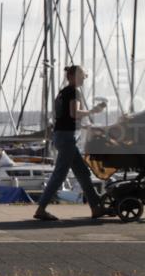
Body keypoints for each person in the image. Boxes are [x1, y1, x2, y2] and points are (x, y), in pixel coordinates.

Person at [33, 65, 107, 221]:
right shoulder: (73, 92)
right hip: (67, 139)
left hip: (61, 136)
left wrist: (85, 126)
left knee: (83, 173)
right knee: (60, 174)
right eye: (81, 74)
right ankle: (41, 209)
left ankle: (96, 208)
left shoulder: (61, 93)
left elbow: (64, 117)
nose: (84, 77)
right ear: (72, 76)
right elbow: (74, 114)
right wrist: (94, 111)